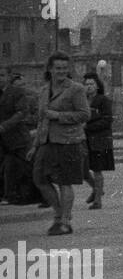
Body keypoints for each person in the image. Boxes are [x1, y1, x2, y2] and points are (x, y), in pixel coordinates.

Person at [30, 52, 90, 235]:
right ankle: (58, 213)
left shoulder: (76, 89)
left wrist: (58, 116)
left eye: (65, 68)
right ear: (50, 69)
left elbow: (85, 114)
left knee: (65, 182)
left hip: (69, 141)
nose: (61, 71)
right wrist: (35, 145)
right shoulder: (43, 90)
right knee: (39, 178)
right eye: (58, 68)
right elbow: (41, 119)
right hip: (46, 141)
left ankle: (64, 221)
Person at [1, 71, 41, 206]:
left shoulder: (24, 95)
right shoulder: (4, 94)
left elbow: (25, 114)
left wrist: (5, 126)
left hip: (21, 136)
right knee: (10, 168)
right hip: (6, 139)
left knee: (29, 165)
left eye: (2, 75)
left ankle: (43, 195)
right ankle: (11, 195)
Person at [82, 72, 114, 209]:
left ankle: (97, 201)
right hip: (84, 139)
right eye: (86, 84)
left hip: (99, 139)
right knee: (82, 169)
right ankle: (97, 189)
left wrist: (88, 127)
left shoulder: (103, 100)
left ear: (97, 86)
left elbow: (107, 120)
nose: (88, 87)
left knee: (97, 169)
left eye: (91, 84)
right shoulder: (82, 100)